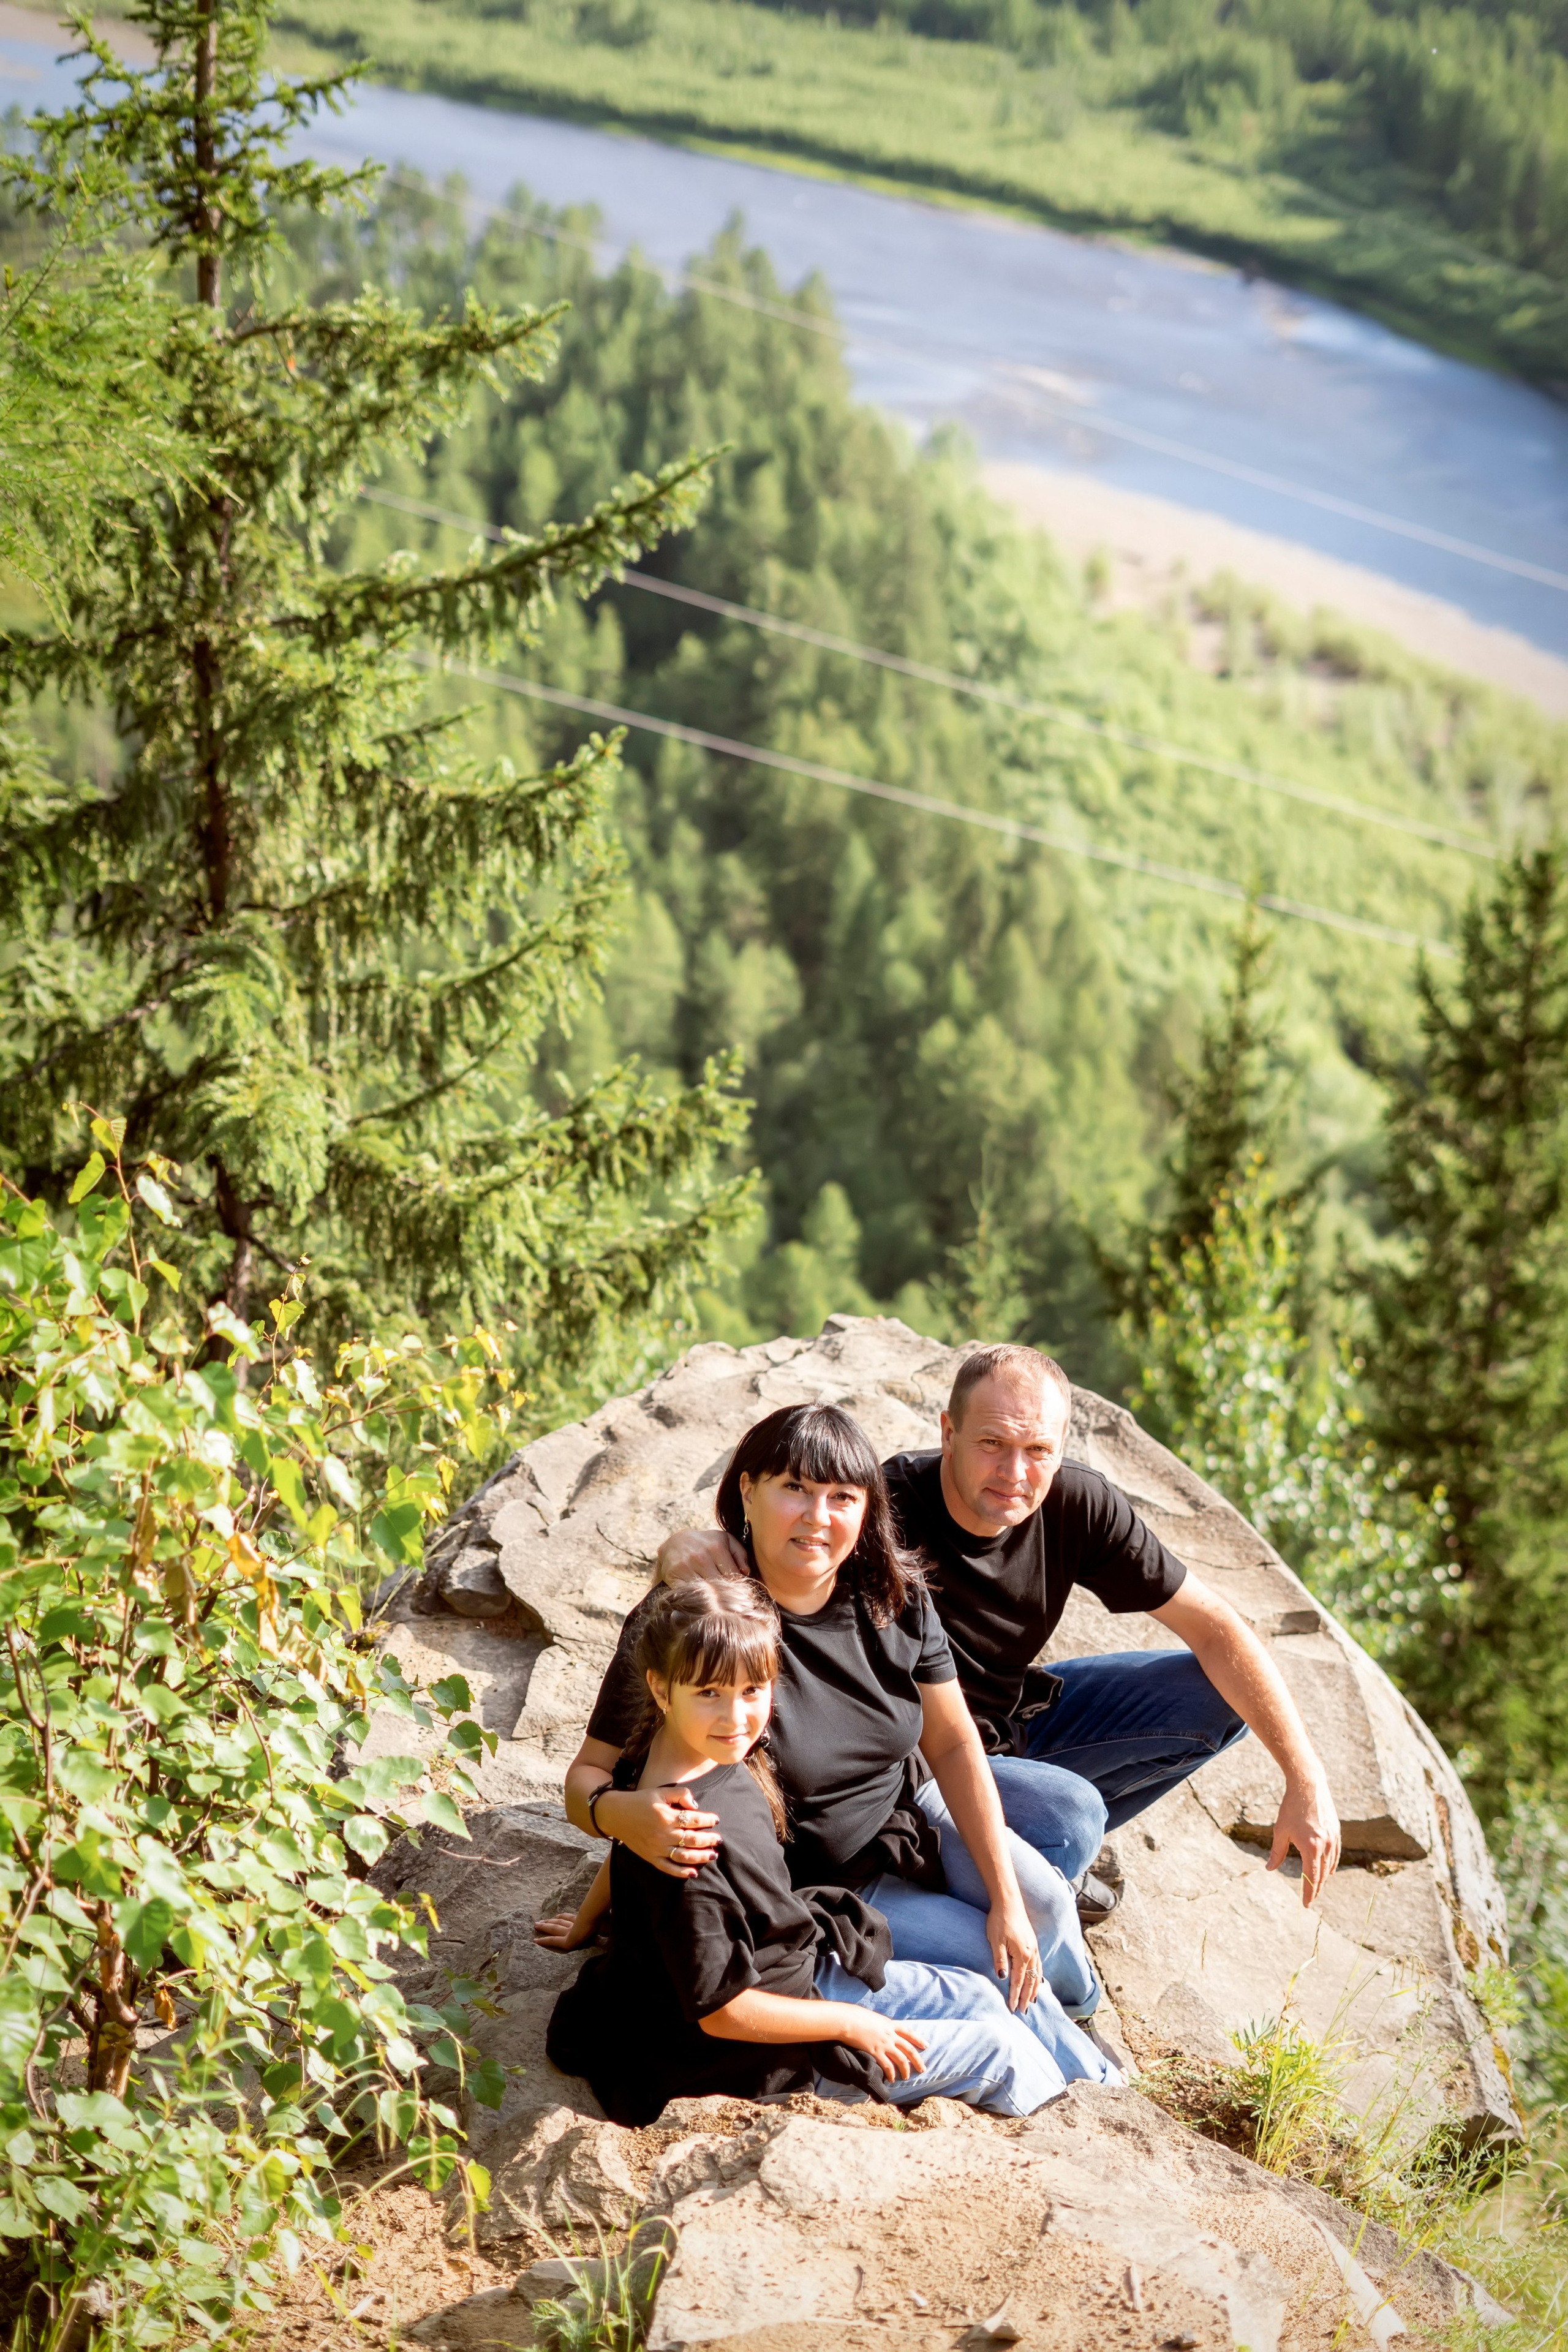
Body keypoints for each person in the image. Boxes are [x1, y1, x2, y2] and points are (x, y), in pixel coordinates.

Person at [657, 1343, 1343, 1923]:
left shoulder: (1078, 1503)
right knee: (1070, 1813)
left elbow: (1218, 1627)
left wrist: (1304, 1778)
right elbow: (783, 1550)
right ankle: (1034, 1856)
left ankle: (1041, 1850)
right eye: (991, 1444)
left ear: (1061, 1447)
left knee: (1217, 1695)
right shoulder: (884, 1510)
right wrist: (685, 1548)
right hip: (912, 1763)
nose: (1015, 1474)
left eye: (1036, 1449)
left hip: (1013, 1725)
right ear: (948, 1431)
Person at [560, 1401, 1118, 2062]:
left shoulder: (892, 1595)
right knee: (991, 1964)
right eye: (794, 1488)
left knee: (1043, 1909)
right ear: (748, 1489)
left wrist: (1005, 1897)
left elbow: (952, 1742)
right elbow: (585, 1780)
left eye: (841, 1497)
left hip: (907, 1818)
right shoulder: (699, 1624)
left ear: (867, 1507)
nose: (817, 1517)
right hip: (825, 1884)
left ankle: (1083, 2014)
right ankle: (1073, 2070)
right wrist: (623, 1819)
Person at [541, 1577, 1070, 2125]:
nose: (735, 1716)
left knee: (981, 1996)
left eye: (752, 1691)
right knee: (997, 2054)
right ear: (659, 1689)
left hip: (800, 1974)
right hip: (755, 2057)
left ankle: (1099, 2097)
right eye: (708, 1693)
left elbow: (633, 1838)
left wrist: (587, 1920)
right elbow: (724, 2013)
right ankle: (1074, 2149)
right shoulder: (687, 1842)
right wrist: (849, 2023)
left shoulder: (706, 1758)